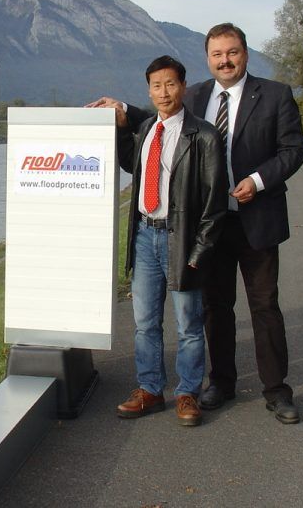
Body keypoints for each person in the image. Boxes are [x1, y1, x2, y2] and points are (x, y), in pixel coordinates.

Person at [92, 23, 303, 424]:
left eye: (232, 52)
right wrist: (121, 109)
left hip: (254, 219)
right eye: (217, 54)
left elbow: (293, 150)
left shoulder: (276, 95)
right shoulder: (195, 95)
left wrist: (257, 181)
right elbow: (160, 120)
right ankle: (221, 383)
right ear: (207, 58)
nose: (225, 60)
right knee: (214, 307)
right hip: (204, 226)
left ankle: (277, 391)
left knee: (264, 307)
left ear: (245, 53)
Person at [92, 55, 227, 426]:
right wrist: (121, 128)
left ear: (183, 87)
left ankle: (187, 393)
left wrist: (198, 252)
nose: (163, 92)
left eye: (170, 84)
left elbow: (216, 203)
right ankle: (150, 390)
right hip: (144, 236)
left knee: (188, 324)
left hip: (181, 239)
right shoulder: (147, 129)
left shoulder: (204, 136)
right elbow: (130, 167)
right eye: (156, 86)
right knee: (145, 323)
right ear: (148, 90)